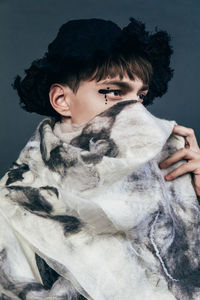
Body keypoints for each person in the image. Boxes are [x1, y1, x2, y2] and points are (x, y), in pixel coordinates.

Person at [0, 17, 200, 299]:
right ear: (62, 100)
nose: (135, 110)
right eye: (114, 92)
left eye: (140, 96)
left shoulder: (168, 176)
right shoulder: (13, 201)